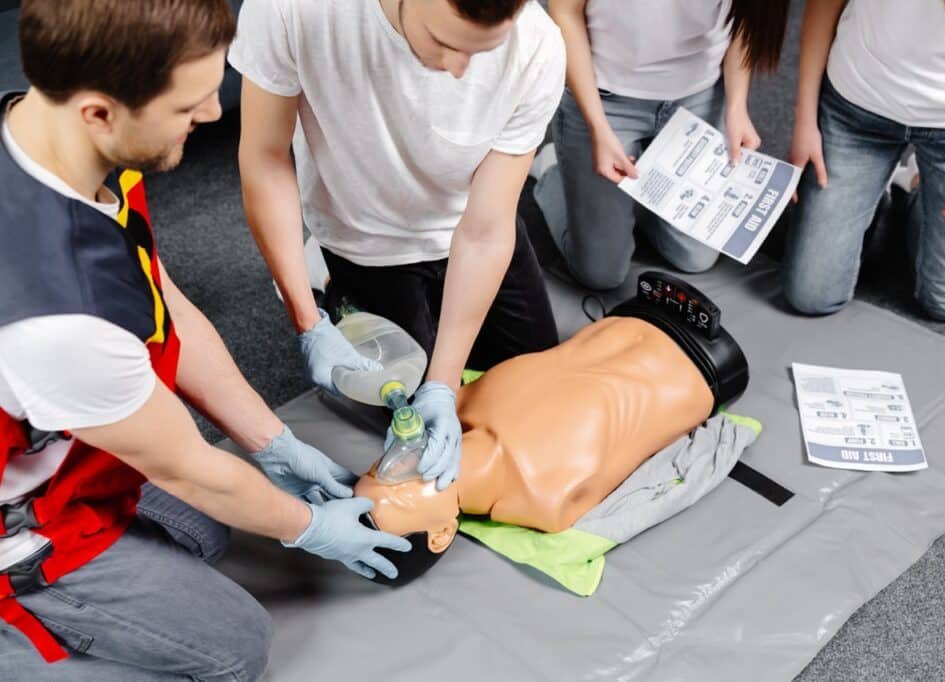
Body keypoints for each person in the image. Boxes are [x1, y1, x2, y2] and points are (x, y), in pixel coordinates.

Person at [0, 2, 412, 678]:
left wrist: (270, 443)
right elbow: (185, 467)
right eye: (188, 103)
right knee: (233, 648)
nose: (215, 114)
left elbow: (165, 308)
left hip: (60, 432)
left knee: (204, 534)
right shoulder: (57, 317)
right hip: (17, 516)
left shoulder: (52, 137)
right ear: (99, 111)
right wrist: (307, 528)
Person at [230, 0, 567, 493]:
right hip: (365, 237)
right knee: (395, 420)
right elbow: (264, 159)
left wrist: (442, 385)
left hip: (466, 224)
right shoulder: (293, 9)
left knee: (535, 393)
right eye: (446, 44)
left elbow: (486, 229)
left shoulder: (537, 46)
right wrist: (307, 319)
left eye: (480, 52)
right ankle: (323, 278)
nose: (458, 71)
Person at [349, 290, 751, 584]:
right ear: (441, 534)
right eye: (400, 492)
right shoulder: (547, 499)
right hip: (704, 367)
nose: (398, 464)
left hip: (632, 312)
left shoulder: (453, 406)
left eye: (378, 469)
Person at [784, 0, 945, 321]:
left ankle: (914, 186)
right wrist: (805, 118)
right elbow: (823, 5)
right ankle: (872, 192)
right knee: (810, 295)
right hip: (856, 110)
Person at [532, 0, 791, 290]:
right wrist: (598, 127)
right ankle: (554, 168)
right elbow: (565, 12)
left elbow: (748, 16)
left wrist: (736, 105)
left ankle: (634, 196)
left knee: (695, 258)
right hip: (606, 95)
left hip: (699, 94)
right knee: (600, 274)